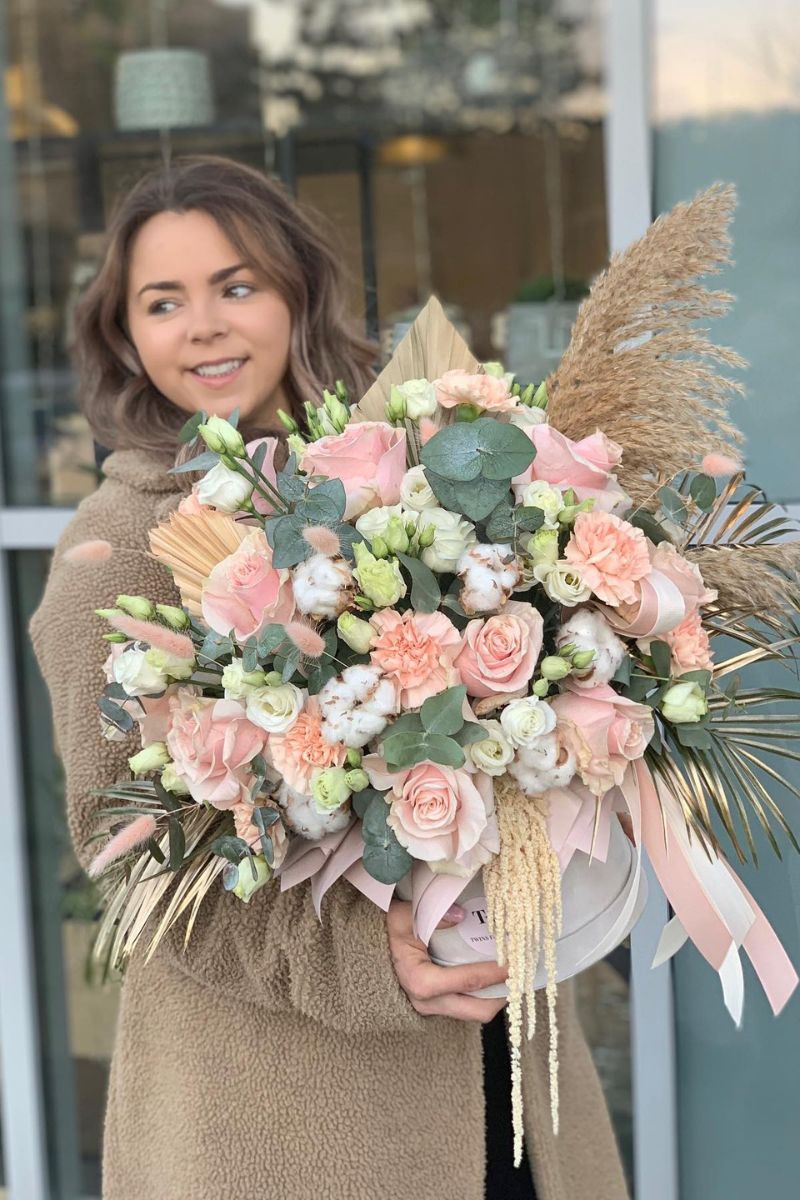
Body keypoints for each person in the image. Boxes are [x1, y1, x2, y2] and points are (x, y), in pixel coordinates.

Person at [30, 155, 629, 1200]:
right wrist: (364, 962)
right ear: (125, 334)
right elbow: (131, 854)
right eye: (161, 302)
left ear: (298, 292)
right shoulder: (121, 549)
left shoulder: (411, 470)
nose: (203, 325)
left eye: (236, 285)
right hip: (289, 1112)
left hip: (500, 1057)